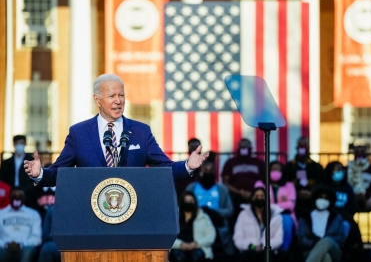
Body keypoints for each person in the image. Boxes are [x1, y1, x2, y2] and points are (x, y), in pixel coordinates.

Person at [24, 74, 208, 186]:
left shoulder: (140, 132)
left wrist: (187, 166)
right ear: (97, 100)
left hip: (132, 213)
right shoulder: (78, 133)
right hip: (91, 214)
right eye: (112, 96)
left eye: (121, 95)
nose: (118, 101)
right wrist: (39, 173)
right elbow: (59, 173)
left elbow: (164, 167)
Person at [186, 161, 234, 258]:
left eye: (211, 170)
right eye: (205, 170)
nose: (208, 172)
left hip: (217, 223)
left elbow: (229, 210)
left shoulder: (222, 189)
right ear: (200, 171)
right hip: (196, 223)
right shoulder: (191, 188)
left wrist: (212, 212)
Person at [319, 161, 363, 261]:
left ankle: (342, 247)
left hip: (344, 218)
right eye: (337, 169)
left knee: (346, 225)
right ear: (330, 171)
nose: (339, 172)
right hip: (327, 218)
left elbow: (353, 206)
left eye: (341, 170)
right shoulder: (323, 186)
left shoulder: (347, 188)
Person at [221, 138, 265, 227]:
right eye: (242, 147)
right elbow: (226, 182)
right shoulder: (231, 162)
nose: (244, 149)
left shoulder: (259, 163)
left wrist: (254, 193)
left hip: (255, 194)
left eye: (246, 147)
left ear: (251, 148)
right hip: (236, 195)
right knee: (233, 208)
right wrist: (240, 192)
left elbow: (264, 181)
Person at [233, 186, 283, 262]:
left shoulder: (276, 216)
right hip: (248, 253)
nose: (259, 198)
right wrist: (252, 247)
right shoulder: (243, 214)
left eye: (262, 196)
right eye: (256, 196)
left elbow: (278, 239)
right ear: (252, 198)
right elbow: (238, 238)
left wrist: (263, 246)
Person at [297, 186, 347, 262]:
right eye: (320, 197)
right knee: (326, 257)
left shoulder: (336, 217)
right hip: (310, 251)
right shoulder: (305, 217)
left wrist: (324, 242)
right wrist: (314, 243)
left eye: (326, 198)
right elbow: (301, 237)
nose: (323, 200)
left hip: (333, 250)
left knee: (326, 240)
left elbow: (341, 237)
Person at [170, 191, 216, 262]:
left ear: (195, 202)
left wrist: (196, 243)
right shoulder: (174, 218)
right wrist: (180, 244)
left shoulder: (204, 217)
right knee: (178, 257)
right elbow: (168, 237)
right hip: (178, 247)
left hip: (198, 247)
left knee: (197, 256)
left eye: (191, 201)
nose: (188, 203)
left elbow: (211, 236)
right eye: (186, 201)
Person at [284, 136, 323, 218]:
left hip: (312, 200)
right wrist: (297, 192)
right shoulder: (289, 166)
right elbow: (286, 182)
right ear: (296, 148)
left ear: (308, 148)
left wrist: (311, 193)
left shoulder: (316, 166)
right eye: (300, 146)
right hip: (295, 199)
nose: (302, 148)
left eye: (304, 145)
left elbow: (320, 183)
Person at [0, 187, 42, 262]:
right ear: (9, 197)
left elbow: (37, 239)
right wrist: (5, 244)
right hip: (4, 247)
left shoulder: (33, 214)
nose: (17, 199)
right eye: (14, 196)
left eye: (20, 196)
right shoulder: (1, 214)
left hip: (25, 247)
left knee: (28, 251)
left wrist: (21, 244)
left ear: (24, 198)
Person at [267, 160, 297, 251]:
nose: (275, 172)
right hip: (266, 214)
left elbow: (291, 205)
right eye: (273, 169)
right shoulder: (260, 184)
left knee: (286, 220)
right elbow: (260, 202)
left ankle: (284, 252)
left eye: (278, 170)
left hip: (285, 214)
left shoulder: (290, 185)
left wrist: (272, 206)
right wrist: (281, 205)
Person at [347, 145, 371, 212]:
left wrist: (365, 194)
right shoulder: (348, 168)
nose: (359, 154)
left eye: (362, 151)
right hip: (351, 198)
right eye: (357, 151)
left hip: (367, 198)